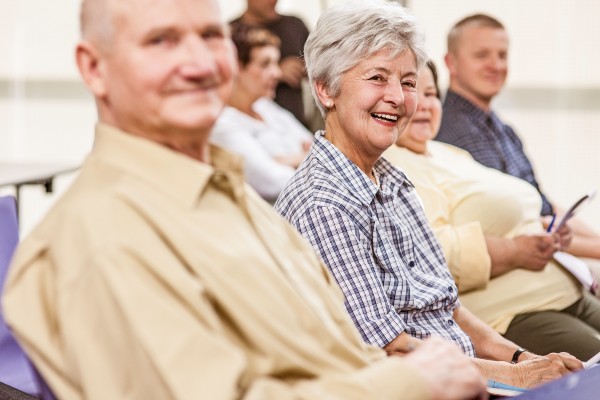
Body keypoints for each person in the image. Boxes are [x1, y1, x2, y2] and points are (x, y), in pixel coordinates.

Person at [1, 0, 488, 399]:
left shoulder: (234, 197)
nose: (199, 63)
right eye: (160, 41)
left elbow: (336, 354)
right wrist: (415, 380)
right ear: (94, 68)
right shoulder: (100, 236)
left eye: (211, 36)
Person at [276, 0, 582, 389]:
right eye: (377, 78)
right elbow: (392, 350)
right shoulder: (322, 204)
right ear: (325, 90)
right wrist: (519, 377)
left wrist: (524, 359)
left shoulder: (394, 181)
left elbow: (448, 307)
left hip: (472, 379)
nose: (399, 98)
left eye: (407, 82)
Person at [384, 60, 600, 360]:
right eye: (412, 92)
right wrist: (514, 251)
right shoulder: (394, 167)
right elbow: (427, 255)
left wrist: (548, 232)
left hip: (567, 291)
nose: (424, 104)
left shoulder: (448, 153)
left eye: (431, 93)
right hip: (514, 313)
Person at [436, 13, 600, 263]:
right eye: (482, 55)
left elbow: (545, 205)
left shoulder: (503, 129)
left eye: (502, 55)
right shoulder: (452, 132)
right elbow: (518, 226)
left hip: (555, 249)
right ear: (451, 62)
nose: (497, 65)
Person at [211, 24, 312, 202]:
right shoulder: (222, 125)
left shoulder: (265, 107)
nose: (277, 73)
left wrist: (283, 160)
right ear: (236, 68)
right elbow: (273, 182)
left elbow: (319, 145)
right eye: (265, 64)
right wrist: (303, 157)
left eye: (276, 63)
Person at [231, 0, 310, 126]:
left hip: (295, 122)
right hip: (249, 121)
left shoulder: (294, 25)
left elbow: (320, 69)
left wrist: (305, 67)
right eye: (265, 63)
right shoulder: (231, 32)